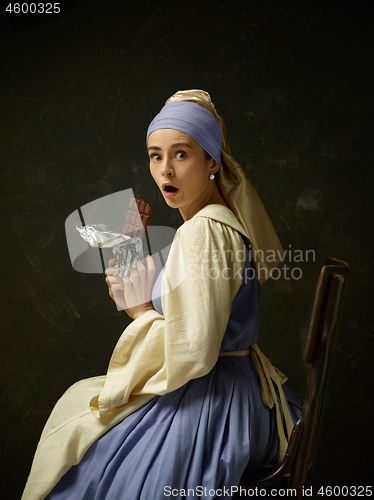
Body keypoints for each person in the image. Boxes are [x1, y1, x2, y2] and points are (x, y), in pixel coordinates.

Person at [22, 90, 302, 500]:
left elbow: (193, 352)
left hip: (213, 401)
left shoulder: (203, 231)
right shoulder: (215, 223)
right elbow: (182, 310)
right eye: (155, 155)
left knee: (88, 457)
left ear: (211, 162)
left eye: (182, 154)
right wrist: (131, 247)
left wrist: (139, 311)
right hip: (240, 393)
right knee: (81, 412)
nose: (166, 170)